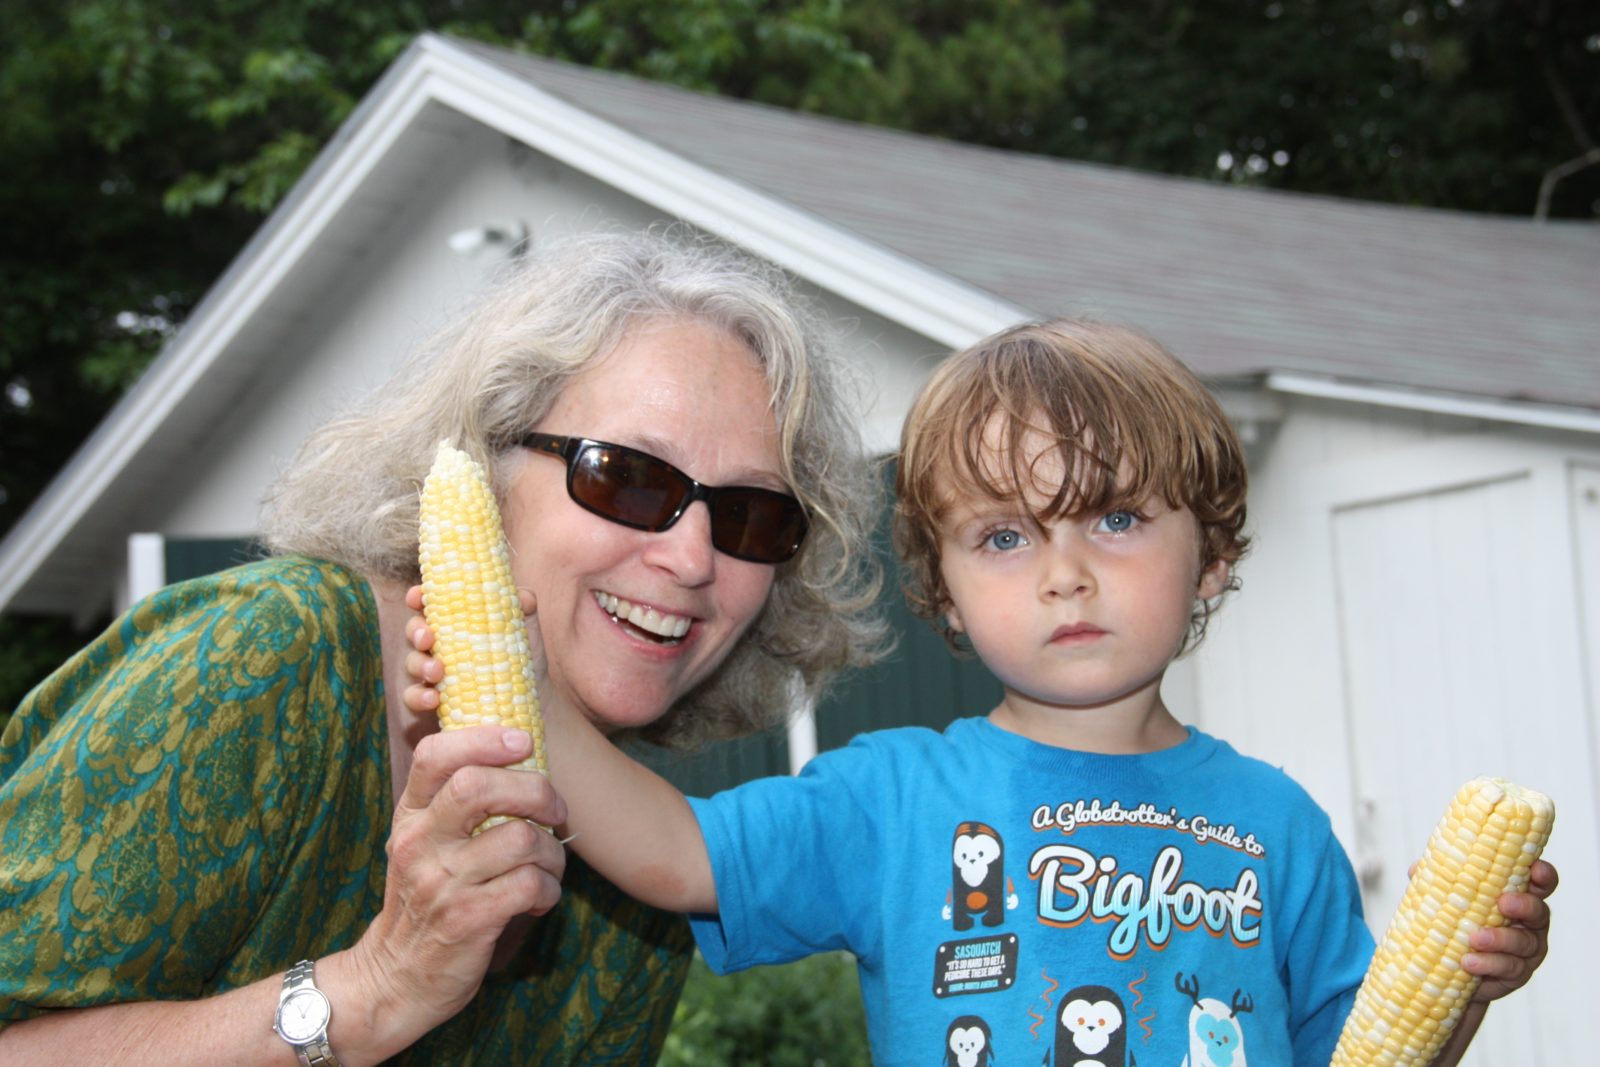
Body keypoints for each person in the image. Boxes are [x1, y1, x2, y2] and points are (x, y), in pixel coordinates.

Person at [408, 317, 1557, 1064]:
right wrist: (513, 677)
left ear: (1210, 556)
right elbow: (672, 850)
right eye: (1004, 537)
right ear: (945, 595)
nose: (1065, 572)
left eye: (1115, 517)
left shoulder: (1279, 825)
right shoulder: (894, 797)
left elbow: (1365, 1050)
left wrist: (1461, 988)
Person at [0, 228, 888, 1064]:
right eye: (624, 477)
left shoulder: (641, 879)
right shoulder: (265, 657)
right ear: (486, 464)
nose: (692, 557)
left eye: (749, 515)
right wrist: (378, 985)